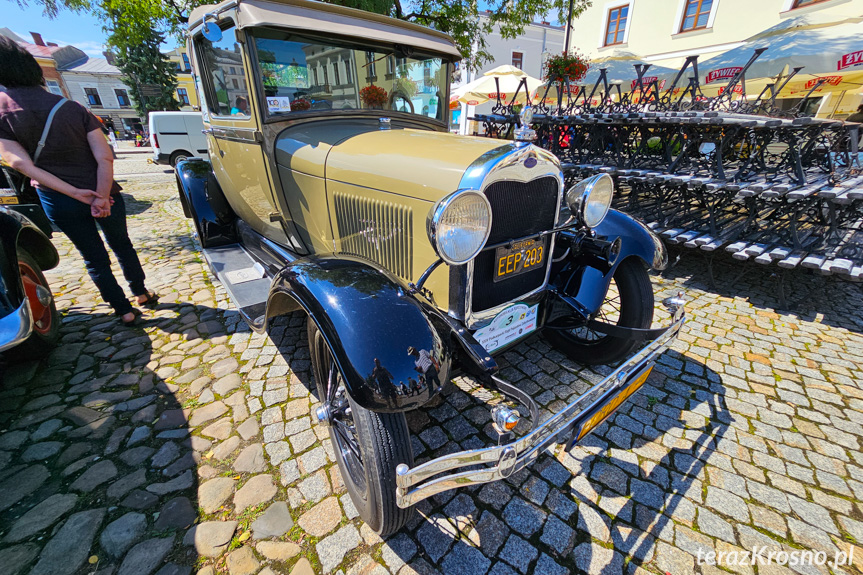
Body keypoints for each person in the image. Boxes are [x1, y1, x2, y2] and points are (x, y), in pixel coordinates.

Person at [0, 36, 155, 325]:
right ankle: (141, 292)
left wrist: (74, 193)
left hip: (58, 199)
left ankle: (124, 310)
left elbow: (20, 163)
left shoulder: (3, 113)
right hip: (104, 190)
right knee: (121, 244)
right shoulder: (70, 108)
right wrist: (101, 194)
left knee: (93, 257)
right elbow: (105, 157)